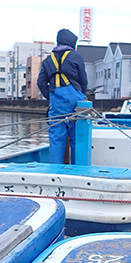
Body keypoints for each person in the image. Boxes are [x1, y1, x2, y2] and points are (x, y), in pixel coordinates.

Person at [37, 29, 88, 164]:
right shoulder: (76, 56)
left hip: (57, 99)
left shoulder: (48, 60)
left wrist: (51, 96)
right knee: (77, 136)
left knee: (56, 137)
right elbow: (83, 80)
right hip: (75, 99)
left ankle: (55, 171)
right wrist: (82, 95)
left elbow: (40, 82)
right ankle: (79, 169)